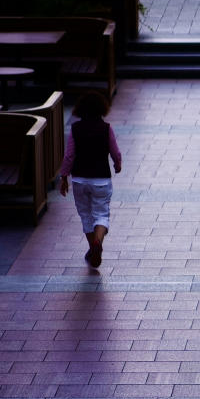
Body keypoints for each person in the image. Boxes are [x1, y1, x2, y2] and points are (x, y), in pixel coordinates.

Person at [57, 91, 122, 269]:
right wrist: (117, 164)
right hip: (101, 179)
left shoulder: (75, 129)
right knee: (101, 214)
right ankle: (98, 243)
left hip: (80, 179)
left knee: (86, 216)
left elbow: (69, 156)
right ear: (102, 108)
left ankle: (92, 247)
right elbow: (115, 152)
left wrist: (64, 177)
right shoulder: (106, 128)